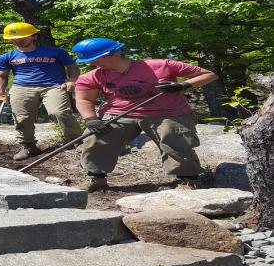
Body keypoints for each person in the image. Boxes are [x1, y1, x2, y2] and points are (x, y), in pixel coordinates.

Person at [72, 37, 218, 192]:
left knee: (173, 134)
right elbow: (84, 99)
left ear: (115, 53)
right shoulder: (92, 76)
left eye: (96, 59)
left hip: (168, 111)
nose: (92, 64)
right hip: (119, 113)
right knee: (96, 136)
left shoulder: (162, 65)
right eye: (89, 61)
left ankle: (187, 180)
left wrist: (183, 85)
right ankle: (97, 177)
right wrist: (91, 119)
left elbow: (210, 75)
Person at [0, 22, 83, 161]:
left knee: (59, 112)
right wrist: (0, 93)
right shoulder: (6, 57)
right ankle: (28, 146)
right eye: (14, 38)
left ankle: (77, 141)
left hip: (53, 86)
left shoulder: (55, 52)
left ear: (34, 36)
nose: (18, 40)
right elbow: (2, 76)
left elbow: (72, 66)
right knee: (22, 117)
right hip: (21, 87)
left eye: (22, 37)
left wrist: (72, 80)